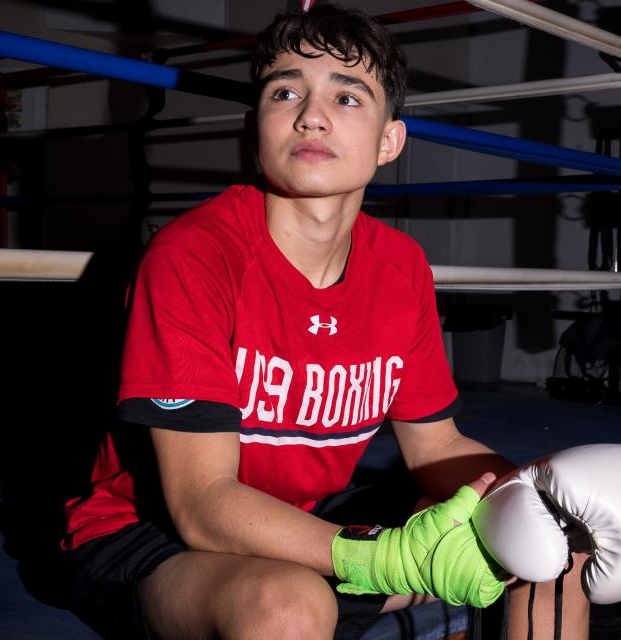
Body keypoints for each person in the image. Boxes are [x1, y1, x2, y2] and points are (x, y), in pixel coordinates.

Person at [61, 5, 590, 639]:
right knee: (287, 606)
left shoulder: (400, 268)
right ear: (257, 126)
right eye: (285, 91)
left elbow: (438, 446)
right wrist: (379, 555)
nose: (312, 114)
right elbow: (202, 505)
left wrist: (532, 498)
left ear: (389, 141)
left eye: (347, 96)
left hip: (305, 520)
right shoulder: (192, 256)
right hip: (145, 535)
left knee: (545, 543)